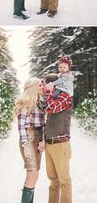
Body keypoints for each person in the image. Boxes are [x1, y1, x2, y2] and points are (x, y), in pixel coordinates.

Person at [43, 73, 73, 203]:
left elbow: (52, 108)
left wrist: (49, 91)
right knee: (53, 181)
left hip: (61, 144)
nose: (44, 88)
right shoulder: (50, 98)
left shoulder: (65, 96)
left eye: (45, 85)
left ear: (51, 84)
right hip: (50, 145)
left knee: (64, 181)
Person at [14, 78, 45, 203]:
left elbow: (44, 124)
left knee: (33, 175)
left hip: (38, 139)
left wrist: (43, 140)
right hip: (29, 137)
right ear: (33, 87)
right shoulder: (25, 103)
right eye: (40, 85)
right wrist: (25, 145)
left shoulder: (40, 103)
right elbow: (21, 127)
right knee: (33, 174)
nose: (42, 86)